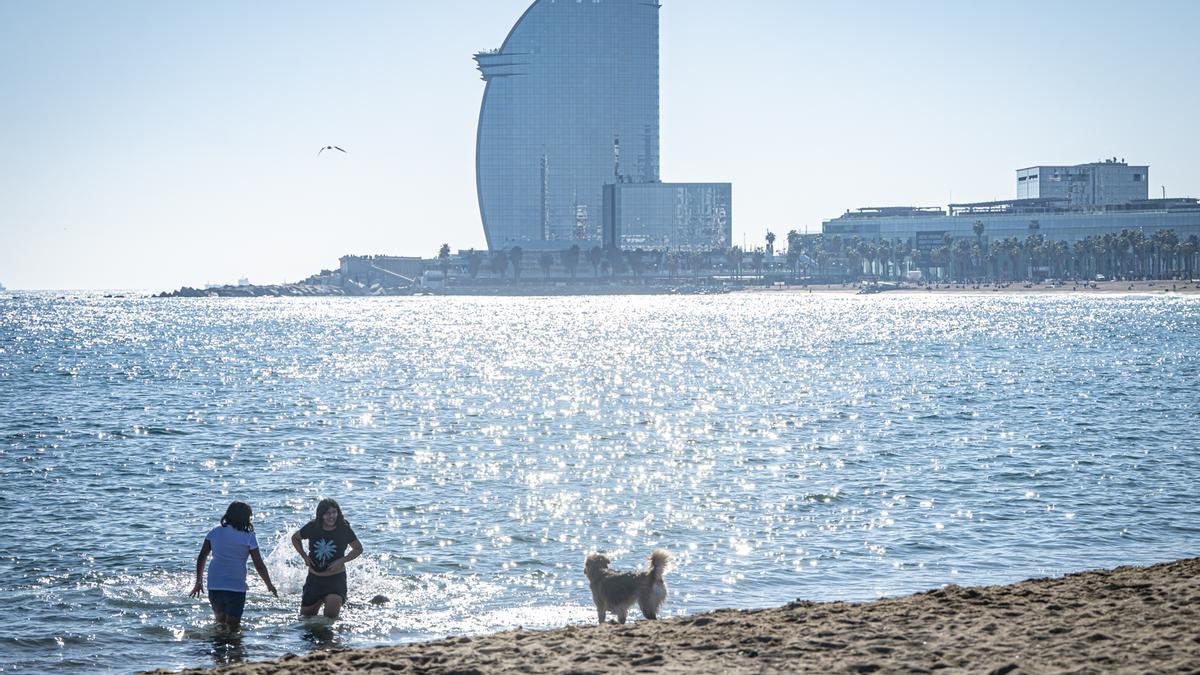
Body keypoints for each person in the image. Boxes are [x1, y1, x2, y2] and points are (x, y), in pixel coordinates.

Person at [189, 501, 277, 631]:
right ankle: (234, 649)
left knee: (220, 623)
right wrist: (269, 584)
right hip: (236, 586)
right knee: (234, 626)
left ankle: (218, 648)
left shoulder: (214, 532)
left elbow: (202, 557)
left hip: (215, 584)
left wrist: (199, 581)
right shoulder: (249, 536)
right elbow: (258, 564)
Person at [291, 498, 362, 619]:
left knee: (329, 621)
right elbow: (295, 538)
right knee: (306, 620)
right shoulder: (313, 527)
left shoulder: (343, 528)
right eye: (327, 513)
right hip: (314, 580)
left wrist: (342, 560)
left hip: (335, 581)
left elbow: (358, 549)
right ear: (321, 514)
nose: (331, 516)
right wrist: (304, 556)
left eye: (334, 512)